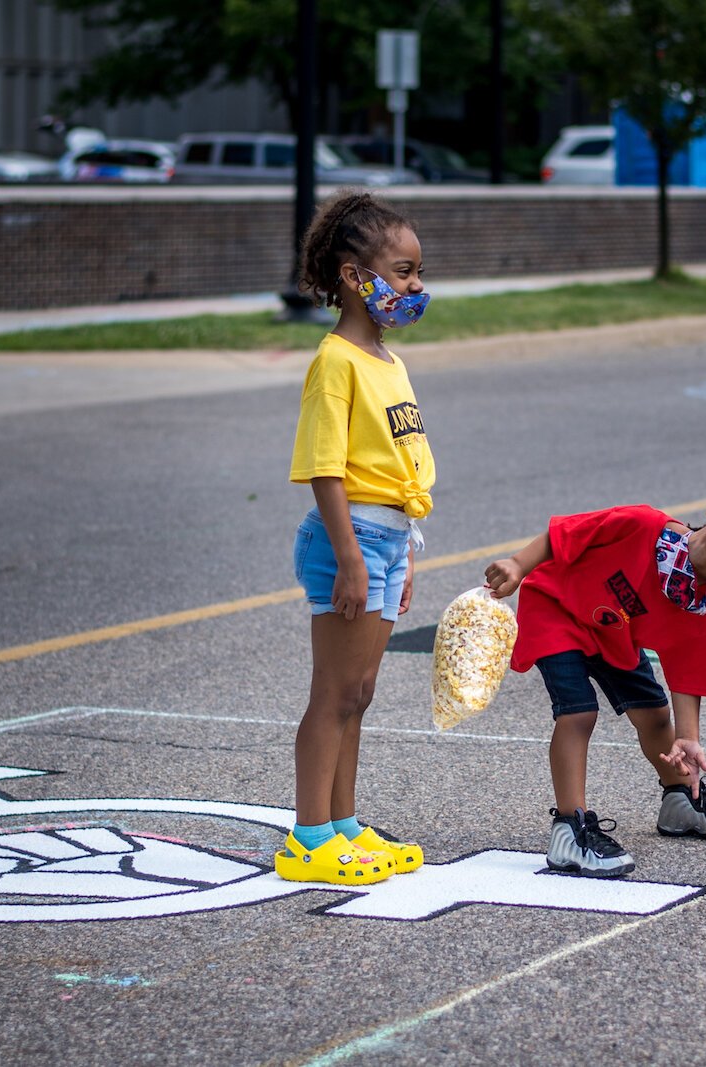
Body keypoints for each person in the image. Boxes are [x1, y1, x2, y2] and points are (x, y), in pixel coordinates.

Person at [484, 490, 706, 878]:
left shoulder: (703, 603)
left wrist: (688, 738)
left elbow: (688, 673)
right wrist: (517, 564)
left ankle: (682, 798)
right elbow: (565, 533)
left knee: (655, 715)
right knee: (579, 714)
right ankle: (570, 829)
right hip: (557, 607)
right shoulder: (643, 524)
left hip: (614, 634)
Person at [276, 190, 435, 885]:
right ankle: (309, 836)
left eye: (417, 271)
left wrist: (403, 554)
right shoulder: (335, 361)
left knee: (360, 692)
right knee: (333, 693)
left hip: (389, 540)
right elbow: (325, 468)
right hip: (352, 542)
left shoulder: (388, 362)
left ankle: (344, 825)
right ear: (353, 276)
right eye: (402, 272)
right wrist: (351, 561)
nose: (416, 286)